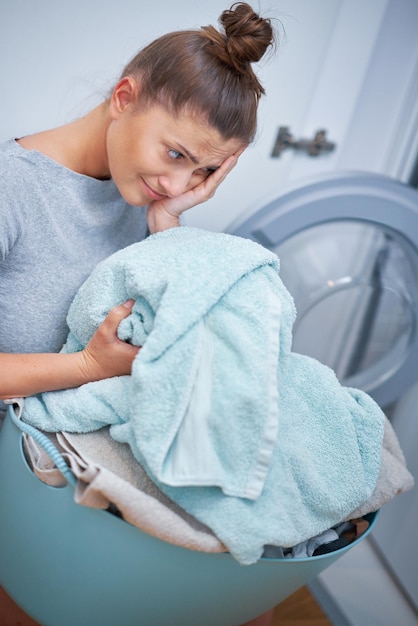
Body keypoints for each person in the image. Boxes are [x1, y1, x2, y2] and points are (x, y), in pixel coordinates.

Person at [0, 4, 276, 624]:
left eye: (204, 171)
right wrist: (87, 365)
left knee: (241, 572)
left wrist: (166, 231)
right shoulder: (11, 191)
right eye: (177, 154)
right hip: (19, 472)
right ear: (124, 96)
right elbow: (100, 362)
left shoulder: (146, 196)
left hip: (90, 454)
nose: (180, 183)